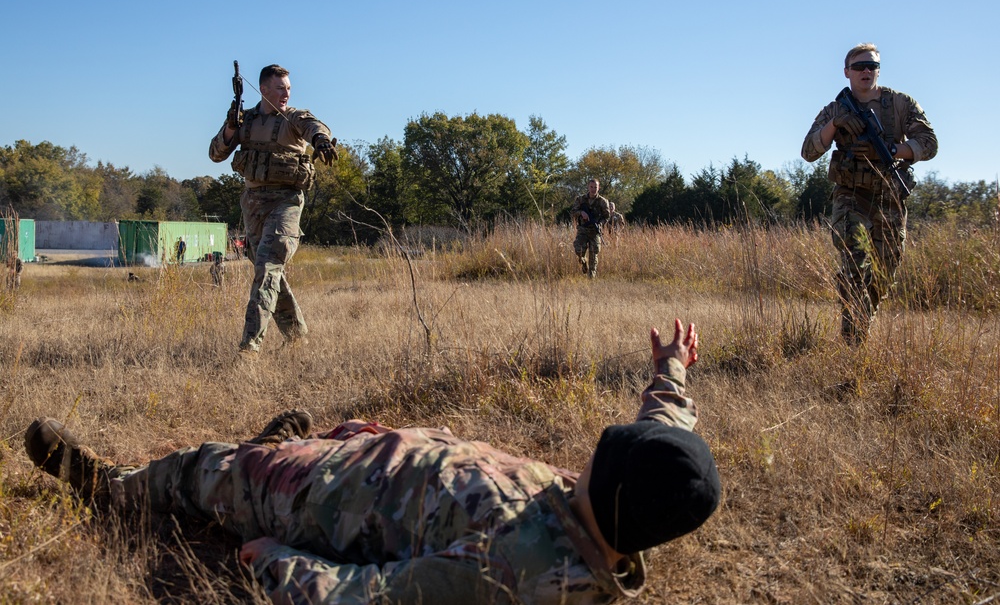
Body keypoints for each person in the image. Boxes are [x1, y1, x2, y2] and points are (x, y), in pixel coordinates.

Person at [25, 320, 720, 605]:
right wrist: (670, 372)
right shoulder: (628, 503)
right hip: (382, 451)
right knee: (317, 438)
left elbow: (371, 594)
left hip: (332, 500)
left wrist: (274, 559)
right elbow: (665, 433)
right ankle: (274, 448)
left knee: (217, 468)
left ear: (613, 481)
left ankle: (111, 486)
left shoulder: (517, 570)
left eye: (604, 453)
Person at [801, 43, 937, 345]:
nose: (866, 71)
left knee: (884, 270)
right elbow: (809, 151)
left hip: (890, 194)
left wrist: (892, 149)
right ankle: (852, 339)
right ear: (847, 71)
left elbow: (929, 143)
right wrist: (835, 125)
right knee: (854, 258)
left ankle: (862, 319)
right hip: (851, 194)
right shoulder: (835, 109)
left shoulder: (900, 103)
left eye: (872, 66)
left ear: (878, 70)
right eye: (860, 66)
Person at [208, 64, 338, 354]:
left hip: (286, 203)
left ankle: (249, 348)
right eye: (280, 88)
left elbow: (314, 126)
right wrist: (231, 127)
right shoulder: (246, 120)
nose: (286, 93)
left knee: (267, 267)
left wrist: (322, 140)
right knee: (269, 271)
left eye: (288, 88)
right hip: (253, 204)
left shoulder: (293, 117)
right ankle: (297, 335)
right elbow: (216, 154)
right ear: (263, 89)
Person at [570, 179, 611, 278]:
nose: (593, 189)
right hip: (583, 230)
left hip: (595, 231)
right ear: (588, 187)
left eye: (595, 187)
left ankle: (591, 276)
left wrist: (600, 224)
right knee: (578, 250)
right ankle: (583, 262)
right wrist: (581, 213)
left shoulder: (603, 201)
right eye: (591, 187)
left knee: (594, 253)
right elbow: (572, 212)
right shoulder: (580, 199)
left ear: (598, 188)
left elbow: (606, 216)